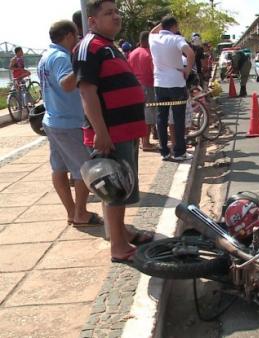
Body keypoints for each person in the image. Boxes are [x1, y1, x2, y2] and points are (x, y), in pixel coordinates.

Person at [74, 0, 150, 263]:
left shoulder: (109, 46)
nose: (116, 16)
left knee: (123, 186)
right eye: (109, 13)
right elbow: (87, 91)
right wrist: (101, 132)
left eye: (117, 11)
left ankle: (121, 232)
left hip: (125, 129)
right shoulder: (89, 47)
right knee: (114, 188)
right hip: (111, 132)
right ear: (92, 21)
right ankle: (118, 246)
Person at [37, 20, 102, 227]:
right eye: (75, 36)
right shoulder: (61, 57)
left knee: (59, 168)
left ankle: (72, 212)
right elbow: (66, 83)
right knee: (83, 169)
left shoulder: (45, 56)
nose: (77, 40)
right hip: (67, 123)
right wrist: (82, 67)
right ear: (67, 36)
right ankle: (80, 213)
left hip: (53, 120)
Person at [149, 15, 195, 161]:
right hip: (176, 84)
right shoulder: (176, 39)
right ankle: (179, 152)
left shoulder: (153, 38)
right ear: (174, 26)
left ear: (162, 26)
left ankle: (164, 152)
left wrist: (161, 23)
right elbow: (190, 53)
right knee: (178, 119)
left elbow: (152, 31)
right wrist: (187, 70)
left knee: (161, 119)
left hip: (159, 85)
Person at [128, 31, 157, 151]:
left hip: (135, 86)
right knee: (149, 115)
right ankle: (146, 142)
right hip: (148, 85)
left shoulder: (132, 53)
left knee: (142, 114)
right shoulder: (149, 54)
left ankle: (143, 141)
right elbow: (153, 71)